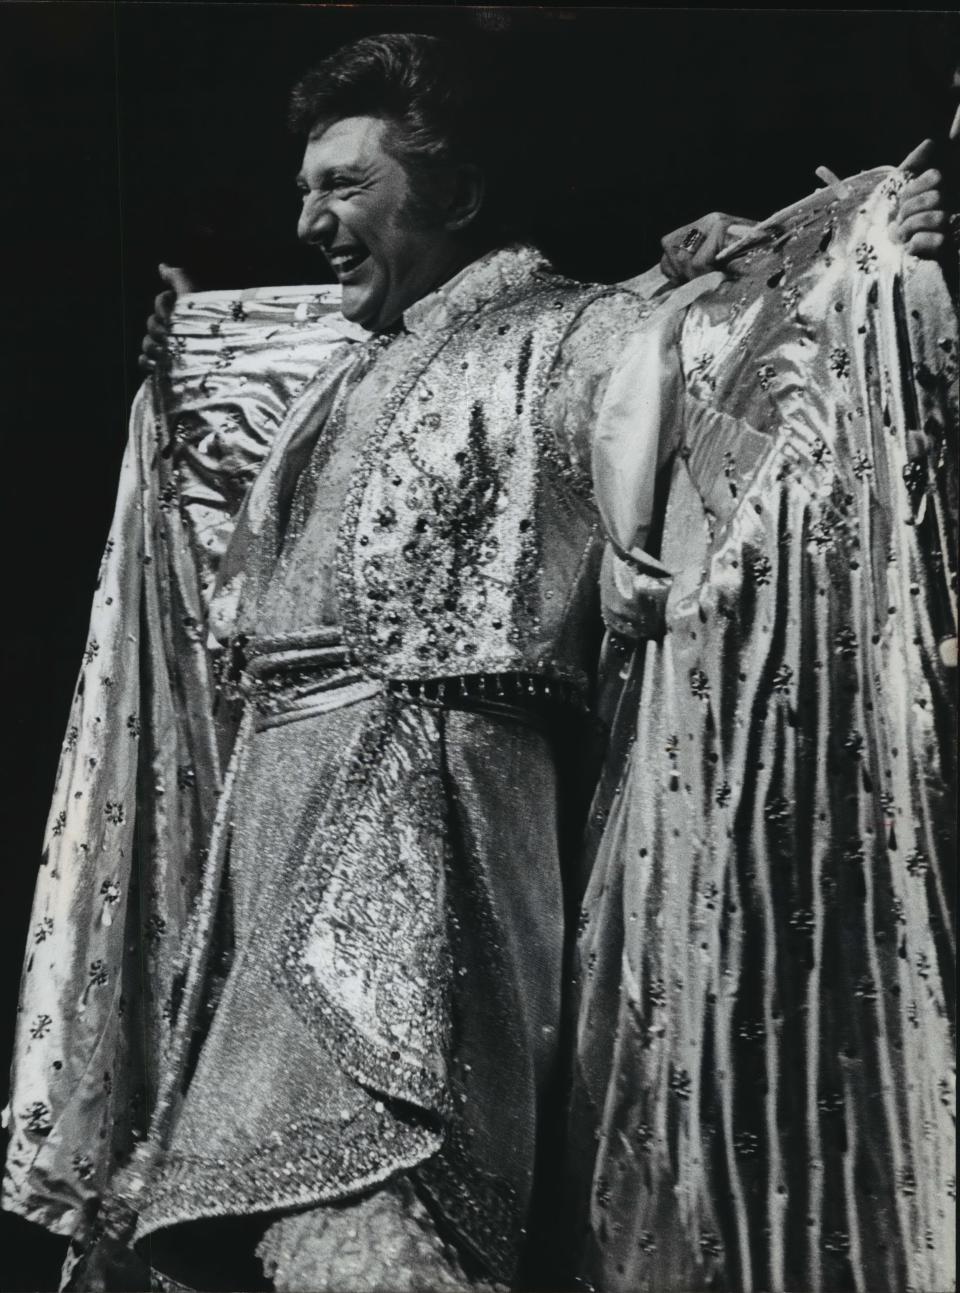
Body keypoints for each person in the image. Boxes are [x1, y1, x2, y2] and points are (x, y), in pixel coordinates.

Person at [3, 31, 952, 1293]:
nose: (310, 222)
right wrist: (185, 369)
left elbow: (738, 360)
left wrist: (869, 242)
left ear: (451, 193)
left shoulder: (578, 334)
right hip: (273, 825)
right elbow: (232, 443)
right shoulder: (346, 370)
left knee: (386, 1213)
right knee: (232, 1216)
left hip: (436, 818)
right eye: (305, 189)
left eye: (348, 187)